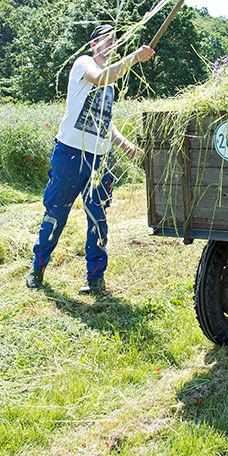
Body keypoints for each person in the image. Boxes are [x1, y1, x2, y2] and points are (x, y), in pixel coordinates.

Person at [25, 24, 155, 296]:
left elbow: (105, 122)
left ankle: (95, 278)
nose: (110, 45)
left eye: (113, 42)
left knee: (97, 217)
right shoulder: (84, 65)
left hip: (98, 159)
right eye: (104, 41)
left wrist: (126, 145)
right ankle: (37, 269)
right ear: (93, 44)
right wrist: (133, 58)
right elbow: (102, 77)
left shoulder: (110, 84)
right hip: (70, 154)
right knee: (56, 212)